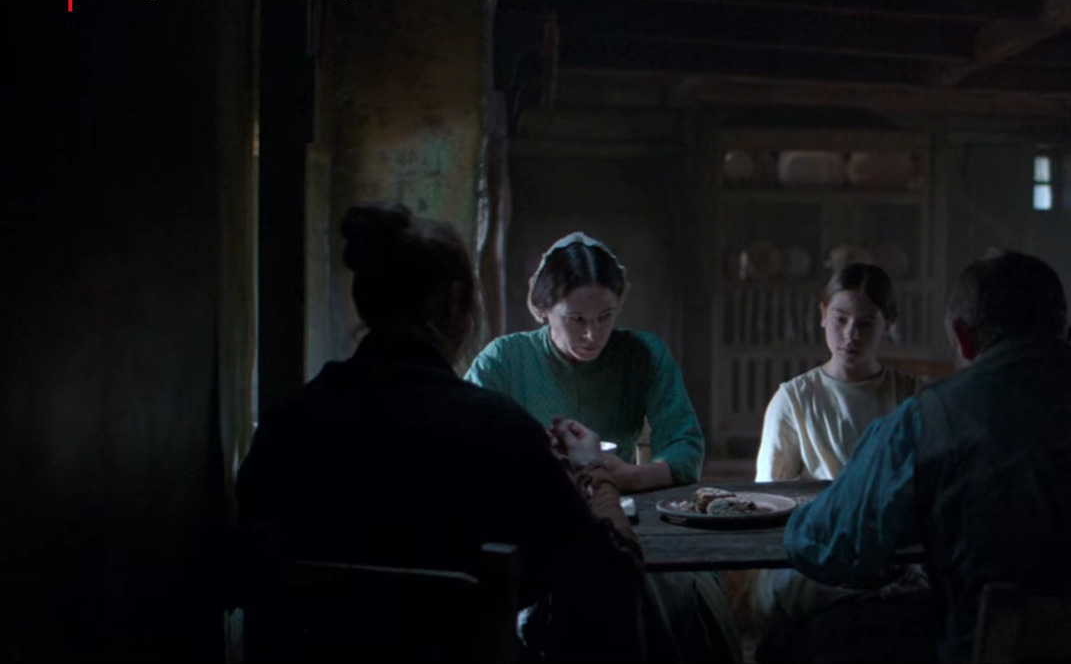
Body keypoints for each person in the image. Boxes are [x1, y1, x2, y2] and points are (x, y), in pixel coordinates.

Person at [236, 203, 644, 661]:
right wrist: (593, 472)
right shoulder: (499, 433)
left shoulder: (290, 424)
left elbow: (246, 568)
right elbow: (611, 580)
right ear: (454, 302)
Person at [783, 249, 1071, 663]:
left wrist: (800, 518)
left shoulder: (928, 417)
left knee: (800, 639)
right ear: (1065, 330)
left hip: (992, 647)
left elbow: (828, 546)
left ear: (964, 337)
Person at [466, 232, 739, 663]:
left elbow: (685, 448)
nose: (593, 334)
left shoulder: (642, 354)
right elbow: (470, 453)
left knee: (671, 597)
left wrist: (628, 475)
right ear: (542, 310)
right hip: (535, 522)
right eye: (576, 319)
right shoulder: (503, 360)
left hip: (626, 513)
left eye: (605, 317)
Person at [746, 263, 926, 653]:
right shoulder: (794, 399)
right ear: (822, 314)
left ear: (888, 323)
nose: (850, 335)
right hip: (814, 548)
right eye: (840, 319)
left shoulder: (910, 396)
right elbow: (767, 500)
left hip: (891, 550)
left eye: (865, 323)